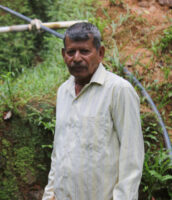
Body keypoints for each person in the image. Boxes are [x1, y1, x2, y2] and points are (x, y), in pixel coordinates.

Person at [42, 22, 144, 200]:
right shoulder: (63, 92)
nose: (77, 58)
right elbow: (59, 152)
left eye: (85, 51)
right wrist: (50, 193)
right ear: (63, 54)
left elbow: (132, 158)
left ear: (101, 53)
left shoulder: (119, 90)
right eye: (71, 52)